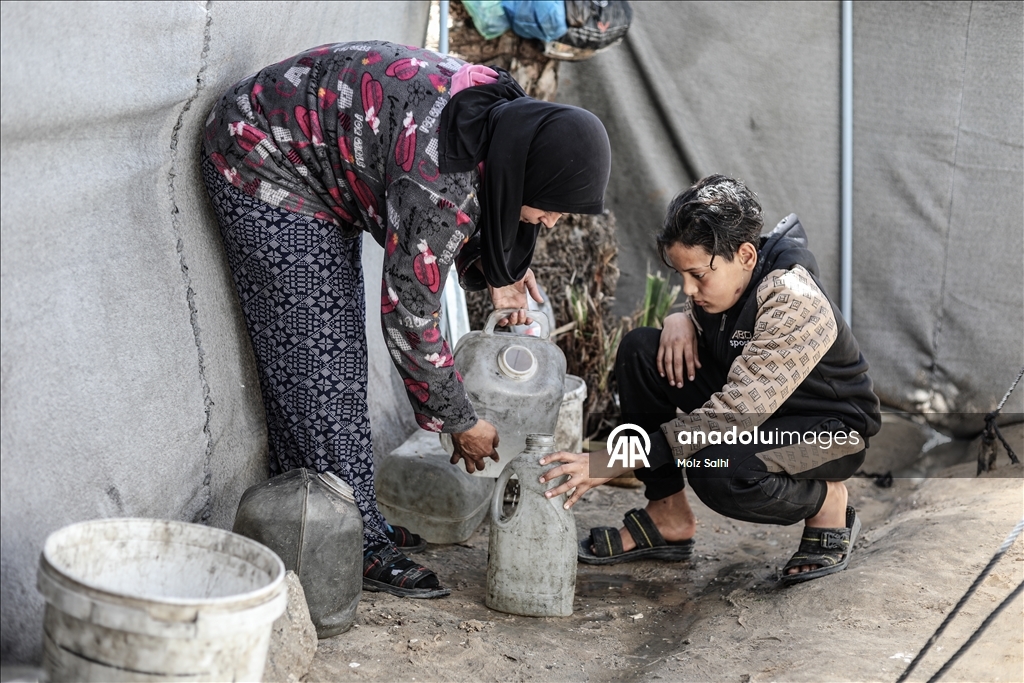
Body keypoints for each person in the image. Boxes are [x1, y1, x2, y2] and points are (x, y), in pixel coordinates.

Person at [202, 41, 610, 598]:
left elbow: (482, 207)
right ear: (524, 173)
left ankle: (348, 517)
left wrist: (498, 267)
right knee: (323, 366)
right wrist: (459, 422)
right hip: (265, 154)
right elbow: (410, 312)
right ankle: (355, 545)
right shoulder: (440, 182)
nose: (556, 222)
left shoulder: (502, 118)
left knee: (334, 363)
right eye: (554, 205)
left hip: (309, 144)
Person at [540, 175, 881, 584]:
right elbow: (723, 342)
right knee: (642, 353)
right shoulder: (727, 280)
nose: (688, 288)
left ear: (747, 255)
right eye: (682, 275)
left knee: (716, 467)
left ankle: (828, 503)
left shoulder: (792, 299)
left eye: (698, 276)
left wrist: (612, 461)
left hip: (829, 430)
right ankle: (666, 514)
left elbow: (734, 414)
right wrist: (679, 317)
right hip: (763, 410)